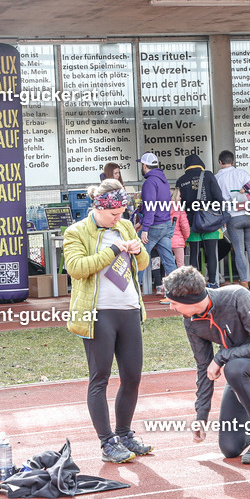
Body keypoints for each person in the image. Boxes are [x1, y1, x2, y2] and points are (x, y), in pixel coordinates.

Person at [62, 178, 151, 463]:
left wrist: (138, 252)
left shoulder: (123, 226)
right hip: (97, 314)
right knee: (100, 377)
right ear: (98, 208)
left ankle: (124, 434)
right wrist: (112, 251)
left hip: (128, 310)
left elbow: (144, 263)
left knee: (133, 376)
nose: (119, 219)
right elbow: (76, 268)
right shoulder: (76, 232)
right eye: (114, 214)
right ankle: (107, 442)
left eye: (122, 213)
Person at [162, 266, 250, 464]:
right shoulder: (191, 322)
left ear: (190, 299)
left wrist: (222, 356)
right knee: (230, 448)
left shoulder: (237, 296)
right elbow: (204, 367)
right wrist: (201, 417)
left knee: (233, 367)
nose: (171, 308)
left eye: (174, 303)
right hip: (239, 374)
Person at [175, 154, 224, 288]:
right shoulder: (207, 175)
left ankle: (196, 284)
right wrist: (221, 215)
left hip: (191, 221)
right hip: (210, 220)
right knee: (211, 252)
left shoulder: (181, 180)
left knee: (194, 253)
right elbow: (218, 197)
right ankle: (213, 282)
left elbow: (180, 203)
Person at [215, 150, 250, 289]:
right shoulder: (242, 173)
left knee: (239, 249)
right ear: (233, 161)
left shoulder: (217, 178)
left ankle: (244, 281)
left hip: (233, 217)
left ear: (220, 162)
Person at [134, 152, 178, 295]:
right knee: (169, 261)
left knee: (140, 258)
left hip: (154, 226)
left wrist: (145, 227)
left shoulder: (149, 182)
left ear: (144, 166)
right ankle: (175, 292)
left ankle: (133, 292)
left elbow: (151, 206)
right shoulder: (163, 180)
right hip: (165, 223)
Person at [170, 187, 191, 269]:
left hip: (166, 241)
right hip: (178, 241)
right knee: (180, 264)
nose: (180, 198)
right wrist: (184, 238)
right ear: (174, 197)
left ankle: (168, 280)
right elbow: (185, 227)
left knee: (168, 264)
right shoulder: (180, 210)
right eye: (179, 196)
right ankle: (181, 281)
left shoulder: (162, 209)